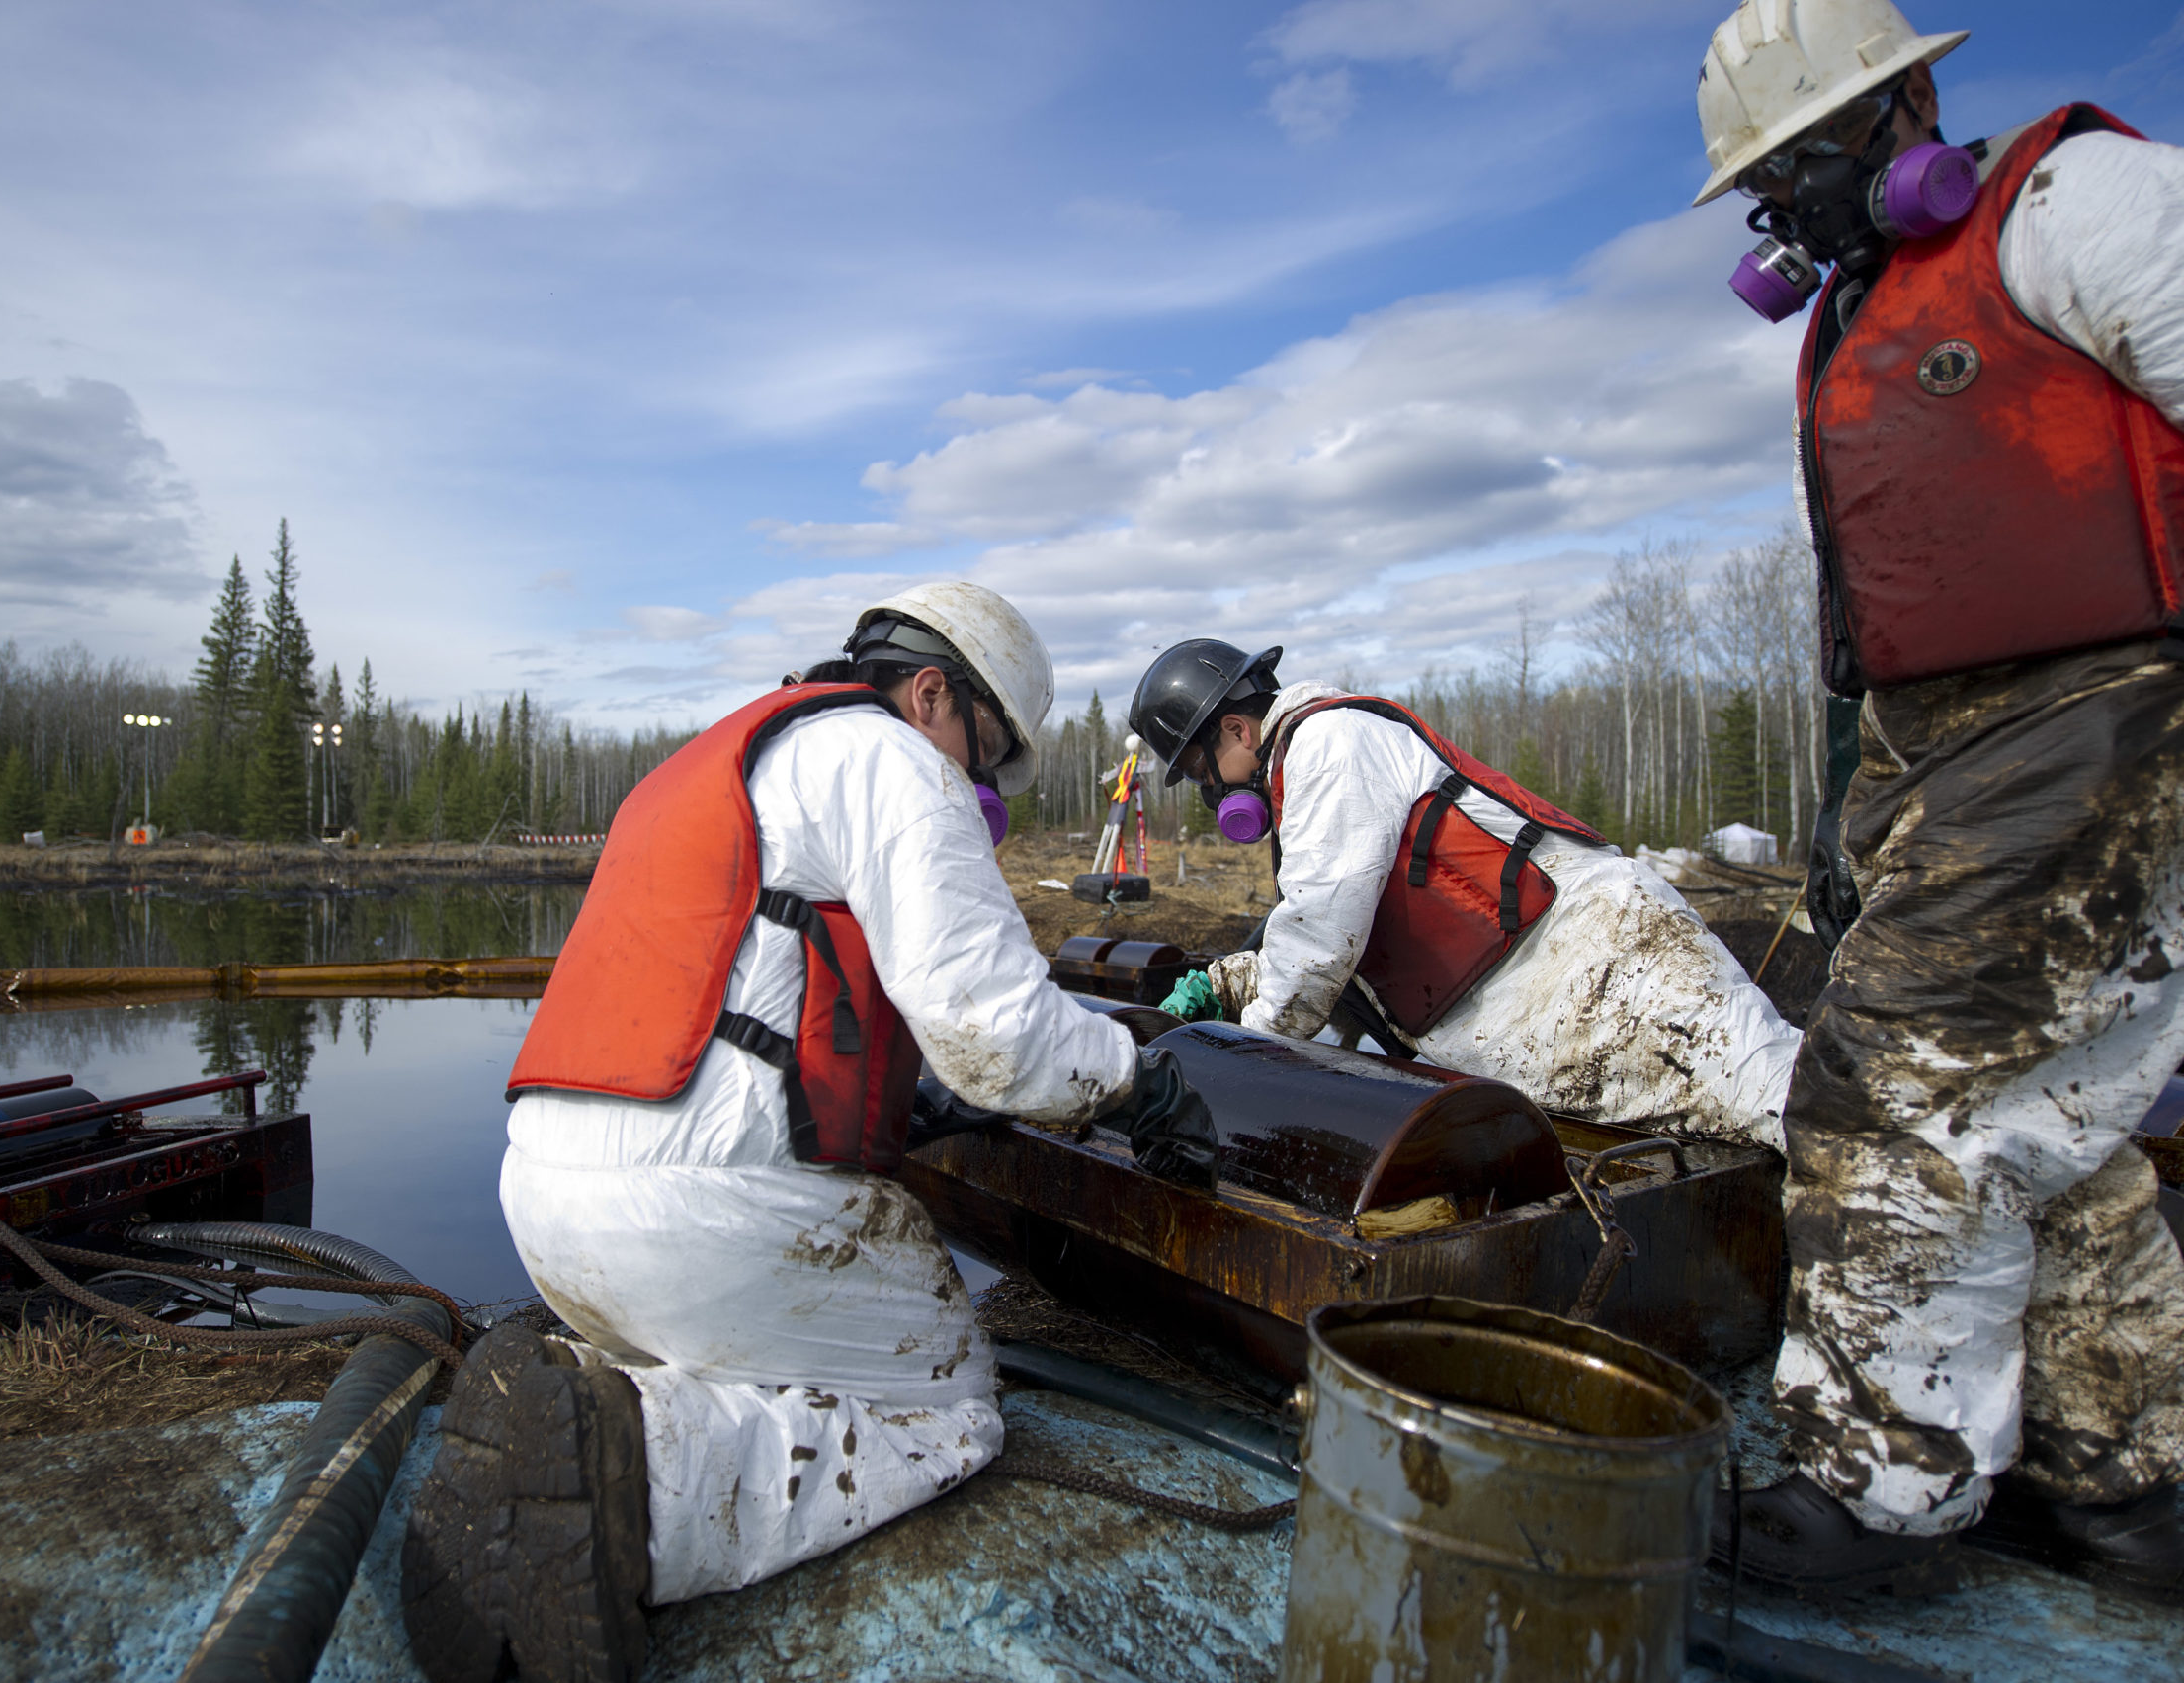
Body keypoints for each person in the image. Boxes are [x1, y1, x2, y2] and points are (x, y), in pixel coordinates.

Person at [402, 582, 1219, 1683]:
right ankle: (632, 1491)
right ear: (932, 693)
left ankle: (582, 1395)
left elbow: (761, 991)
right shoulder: (891, 759)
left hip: (548, 1203)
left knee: (753, 1343)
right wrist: (1137, 1084)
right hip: (698, 1216)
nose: (976, 791)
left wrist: (904, 1099)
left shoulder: (717, 759)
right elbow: (992, 1026)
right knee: (949, 1407)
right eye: (982, 761)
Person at [1692, 0, 2184, 1602]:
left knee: (1885, 1090)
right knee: (2047, 1113)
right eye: (1771, 185)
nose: (1801, 204)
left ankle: (1883, 1485)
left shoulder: (2073, 210)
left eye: (1818, 154)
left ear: (1913, 99)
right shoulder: (1848, 325)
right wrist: (1865, 813)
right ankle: (2109, 1482)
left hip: (2115, 706)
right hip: (1950, 749)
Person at [1129, 643, 1801, 1154]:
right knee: (1726, 1145)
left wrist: (1236, 1062)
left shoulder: (1326, 746)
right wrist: (1226, 981)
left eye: (1199, 771)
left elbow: (1319, 943)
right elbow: (1352, 937)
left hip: (1611, 968)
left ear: (1238, 732)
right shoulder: (1305, 762)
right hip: (1552, 996)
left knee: (1796, 1110)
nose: (1210, 790)